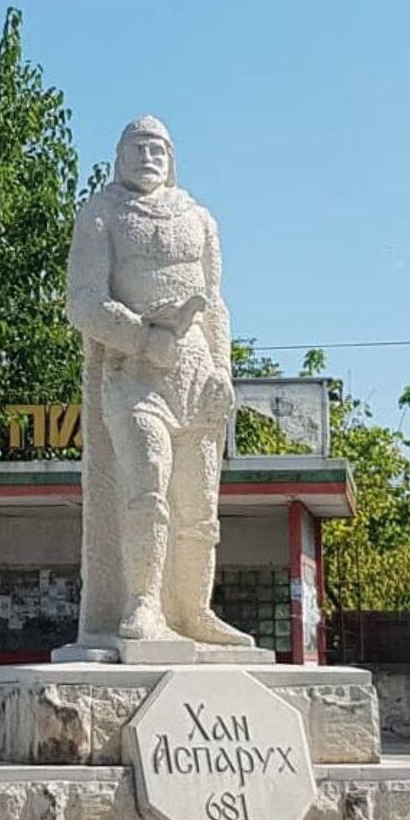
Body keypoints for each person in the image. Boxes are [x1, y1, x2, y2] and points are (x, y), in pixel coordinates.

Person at [66, 115, 252, 647]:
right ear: (119, 157)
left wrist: (222, 369)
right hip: (133, 372)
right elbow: (82, 301)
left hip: (195, 374)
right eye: (137, 148)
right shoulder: (101, 213)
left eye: (157, 150)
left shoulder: (200, 218)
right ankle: (143, 604)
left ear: (172, 159)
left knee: (200, 504)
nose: (148, 158)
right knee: (147, 483)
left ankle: (193, 611)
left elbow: (215, 305)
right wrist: (143, 338)